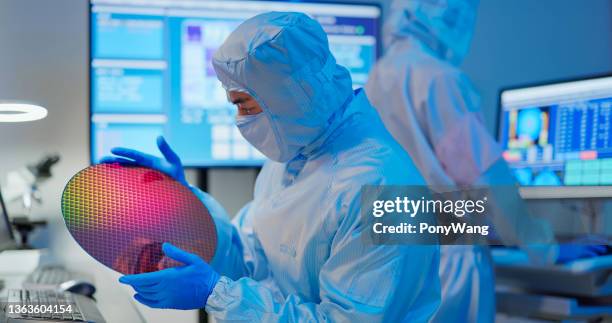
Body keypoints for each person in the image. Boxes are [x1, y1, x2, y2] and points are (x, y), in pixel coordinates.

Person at [103, 12, 440, 322]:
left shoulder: (385, 189)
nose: (240, 120)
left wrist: (216, 293)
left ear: (288, 97)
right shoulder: (294, 155)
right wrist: (187, 204)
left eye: (244, 105)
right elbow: (250, 260)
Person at [364, 0, 608, 322]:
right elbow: (488, 178)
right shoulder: (438, 79)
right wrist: (545, 248)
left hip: (391, 259)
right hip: (448, 262)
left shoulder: (375, 79)